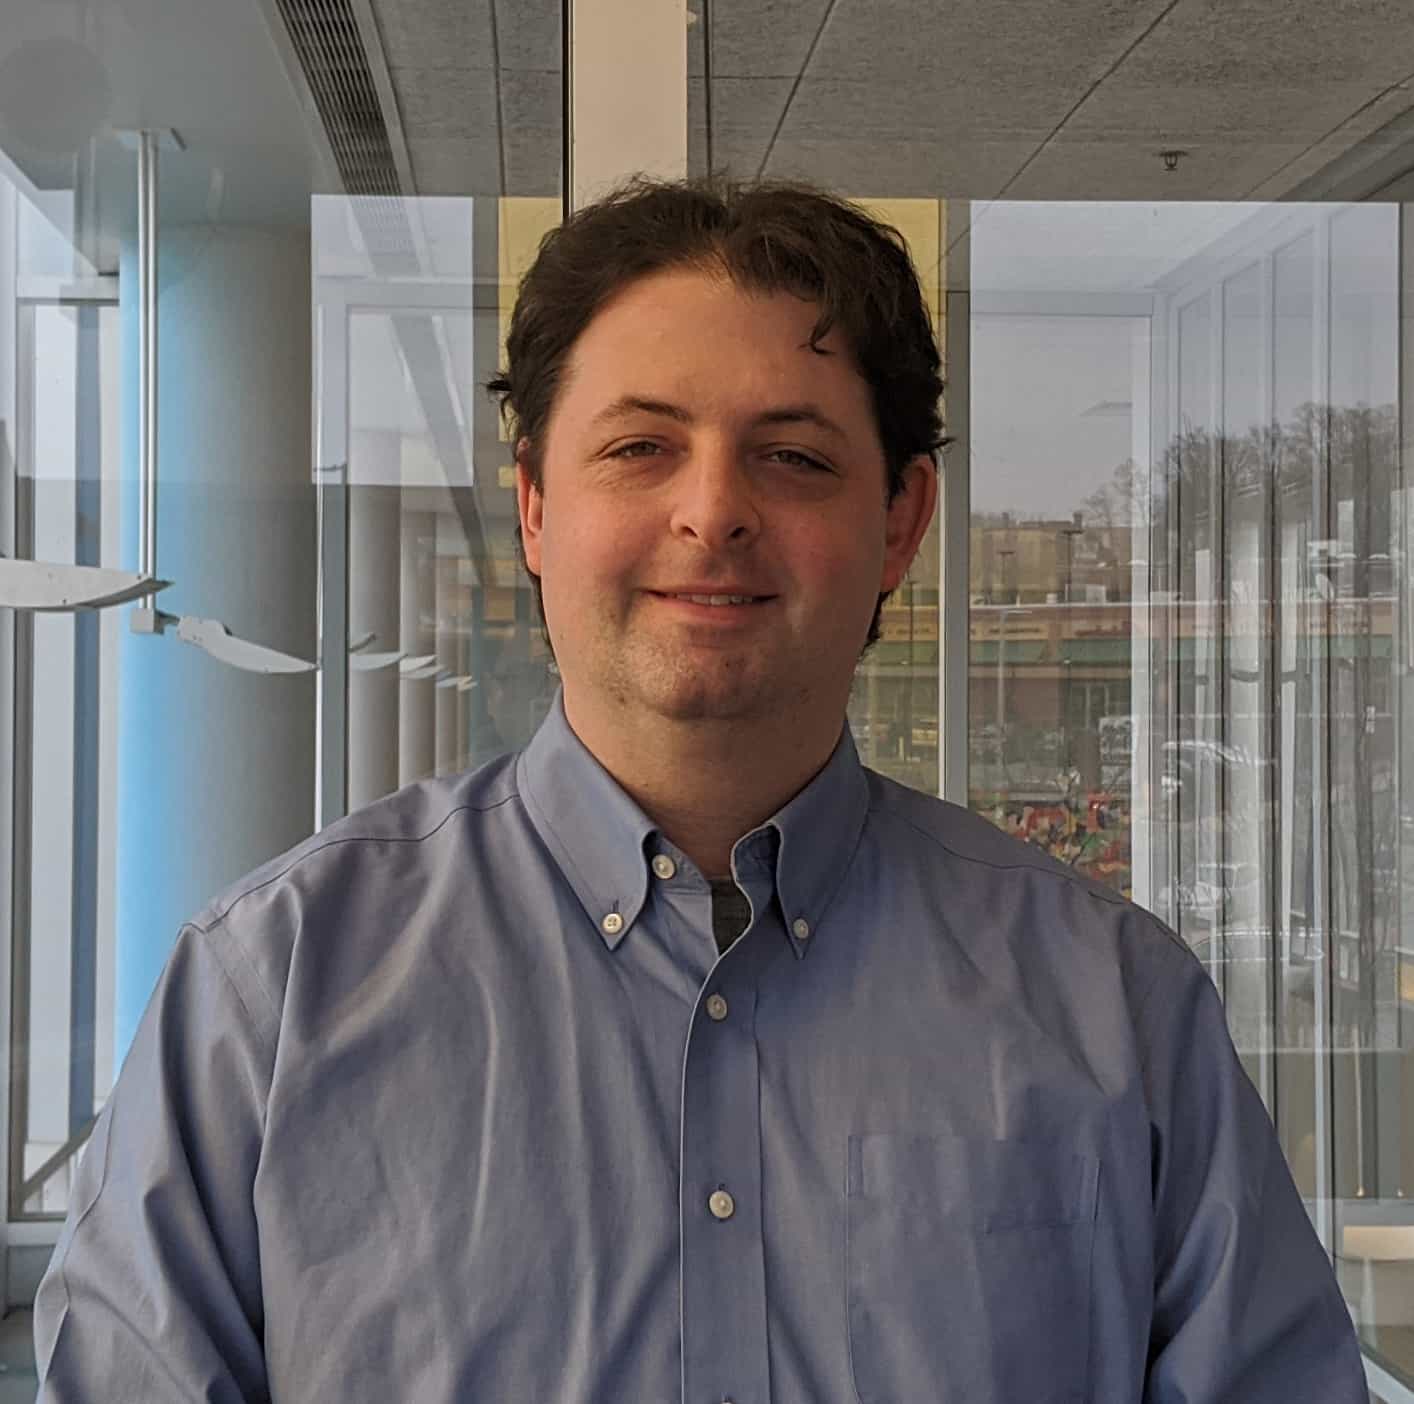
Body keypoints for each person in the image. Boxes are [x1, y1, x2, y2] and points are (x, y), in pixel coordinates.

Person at [35, 179, 1365, 1403]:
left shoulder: (1113, 1004)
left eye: (790, 456)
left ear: (900, 519)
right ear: (536, 509)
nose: (711, 511)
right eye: (639, 447)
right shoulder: (268, 993)